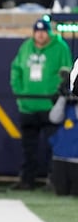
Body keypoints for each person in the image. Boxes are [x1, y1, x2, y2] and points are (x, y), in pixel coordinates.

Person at [10, 18, 73, 190]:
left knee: (55, 145)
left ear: (49, 32)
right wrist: (20, 93)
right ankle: (27, 180)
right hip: (28, 105)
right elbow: (16, 69)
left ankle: (54, 180)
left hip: (50, 107)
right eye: (37, 31)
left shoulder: (60, 47)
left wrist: (58, 96)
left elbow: (67, 73)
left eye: (43, 31)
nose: (40, 34)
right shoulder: (26, 47)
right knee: (28, 147)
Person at [48, 68, 78, 196]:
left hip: (76, 159)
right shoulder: (66, 105)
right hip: (60, 157)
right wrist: (63, 97)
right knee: (61, 193)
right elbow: (54, 118)